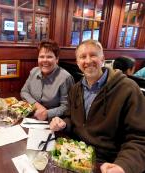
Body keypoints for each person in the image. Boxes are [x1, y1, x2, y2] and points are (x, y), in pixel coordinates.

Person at [50, 39, 145, 173]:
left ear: (102, 59)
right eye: (83, 57)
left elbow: (139, 138)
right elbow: (70, 118)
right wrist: (63, 123)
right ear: (77, 63)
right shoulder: (76, 89)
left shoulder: (128, 89)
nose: (88, 61)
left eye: (93, 55)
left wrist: (123, 165)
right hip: (75, 154)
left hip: (107, 163)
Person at [21, 40, 74, 120]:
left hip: (55, 121)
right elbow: (24, 92)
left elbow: (67, 107)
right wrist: (38, 106)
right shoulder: (34, 71)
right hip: (32, 115)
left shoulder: (65, 78)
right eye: (41, 56)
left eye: (49, 57)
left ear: (57, 59)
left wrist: (47, 113)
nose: (45, 60)